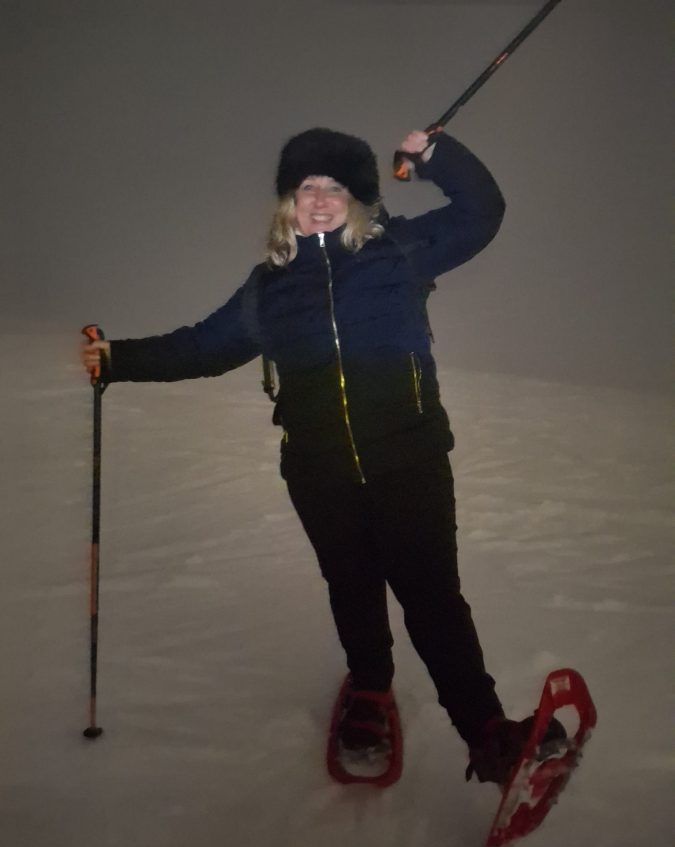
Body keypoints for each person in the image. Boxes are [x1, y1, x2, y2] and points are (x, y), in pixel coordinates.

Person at [82, 127, 553, 786]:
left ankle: (486, 730)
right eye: (308, 187)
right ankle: (370, 691)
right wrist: (116, 359)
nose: (322, 200)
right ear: (289, 202)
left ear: (357, 198)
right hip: (319, 469)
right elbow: (201, 347)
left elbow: (482, 212)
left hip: (410, 459)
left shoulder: (400, 252)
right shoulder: (267, 289)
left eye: (336, 187)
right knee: (351, 585)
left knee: (432, 598)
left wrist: (435, 154)